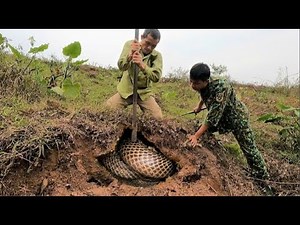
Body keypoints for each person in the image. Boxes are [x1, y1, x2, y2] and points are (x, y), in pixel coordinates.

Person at [187, 62, 270, 182]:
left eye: (196, 83)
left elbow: (212, 117)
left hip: (237, 118)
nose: (193, 85)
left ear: (206, 81)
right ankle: (208, 155)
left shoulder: (221, 87)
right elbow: (204, 94)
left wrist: (196, 136)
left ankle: (262, 177)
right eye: (191, 81)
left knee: (248, 148)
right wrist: (199, 105)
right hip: (222, 117)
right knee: (203, 131)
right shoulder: (203, 83)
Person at [105, 29, 163, 120]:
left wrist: (142, 65)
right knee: (108, 109)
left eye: (153, 46)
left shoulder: (157, 56)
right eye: (147, 43)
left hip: (144, 93)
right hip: (126, 89)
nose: (149, 48)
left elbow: (156, 77)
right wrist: (130, 55)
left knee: (157, 117)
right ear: (142, 37)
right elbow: (121, 66)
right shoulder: (130, 45)